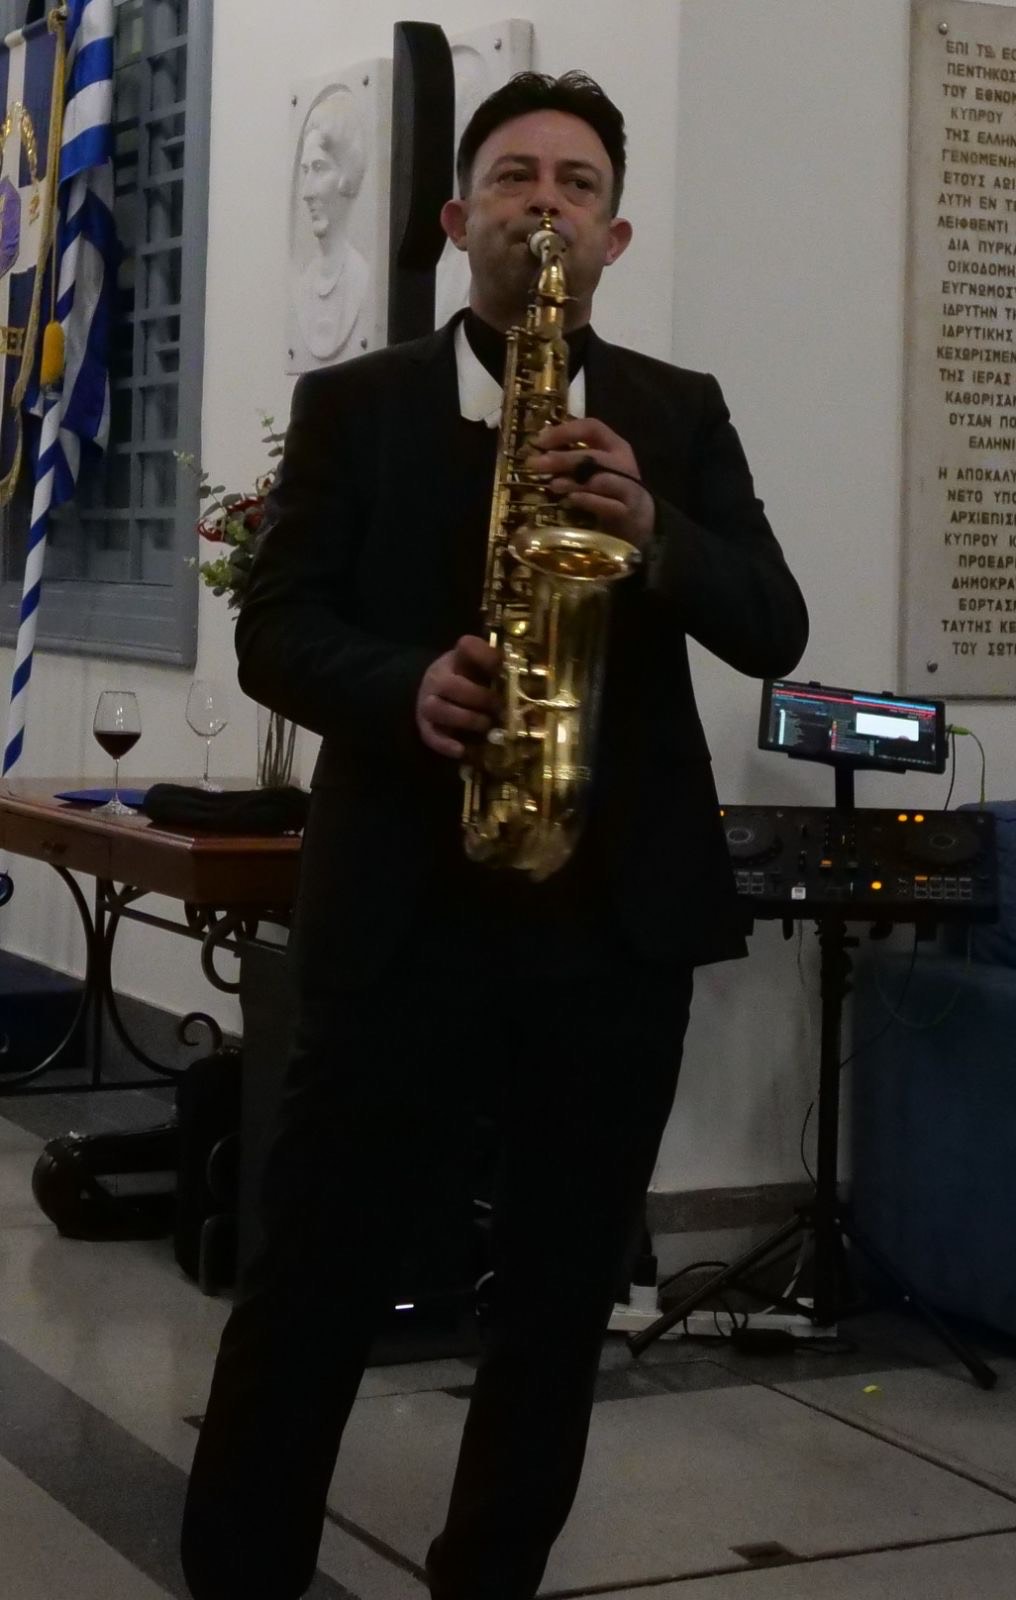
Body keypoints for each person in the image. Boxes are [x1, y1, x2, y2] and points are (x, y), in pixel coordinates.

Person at [181, 71, 808, 1600]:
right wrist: (407, 687)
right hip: (406, 918)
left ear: (616, 237)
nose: (548, 205)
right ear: (460, 221)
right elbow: (276, 631)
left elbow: (775, 625)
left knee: (556, 1304)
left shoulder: (676, 412)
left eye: (579, 185)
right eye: (518, 178)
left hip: (612, 931)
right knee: (314, 1281)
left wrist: (653, 528)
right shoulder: (355, 407)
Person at [290, 90, 369, 364]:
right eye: (305, 171)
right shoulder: (304, 285)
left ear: (347, 175)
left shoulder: (361, 278)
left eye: (320, 168)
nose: (306, 192)